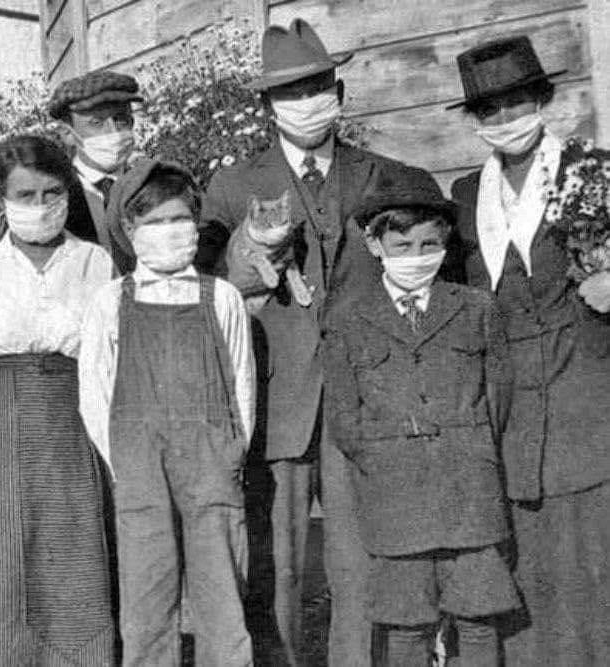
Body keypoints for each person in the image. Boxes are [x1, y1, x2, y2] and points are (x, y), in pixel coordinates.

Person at [201, 18, 442, 666]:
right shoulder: (231, 187)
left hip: (365, 402)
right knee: (275, 569)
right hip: (280, 405)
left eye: (317, 89)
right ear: (266, 107)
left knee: (359, 564)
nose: (307, 104)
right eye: (290, 93)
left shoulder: (390, 177)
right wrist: (252, 252)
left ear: (338, 93)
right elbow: (208, 288)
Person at [448, 36, 610, 665]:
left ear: (543, 99)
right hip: (510, 406)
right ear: (475, 122)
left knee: (594, 557)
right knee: (529, 562)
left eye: (518, 102)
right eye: (489, 110)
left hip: (587, 391)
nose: (506, 119)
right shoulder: (466, 196)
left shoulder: (592, 170)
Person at [323, 173, 519, 667]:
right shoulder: (350, 320)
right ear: (375, 244)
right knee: (406, 625)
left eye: (429, 243)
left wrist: (465, 446)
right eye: (402, 244)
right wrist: (385, 454)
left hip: (469, 493)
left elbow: (499, 398)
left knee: (477, 619)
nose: (417, 255)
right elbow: (345, 416)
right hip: (396, 499)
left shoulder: (476, 308)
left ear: (445, 243)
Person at [0, 134, 116, 665]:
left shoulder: (94, 263)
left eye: (51, 192)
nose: (40, 206)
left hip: (72, 425)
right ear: (1, 199)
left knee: (69, 558)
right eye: (25, 195)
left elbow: (111, 355)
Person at [78, 158, 255, 667]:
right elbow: (95, 393)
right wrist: (125, 464)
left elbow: (242, 387)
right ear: (130, 230)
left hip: (210, 465)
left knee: (221, 594)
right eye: (154, 223)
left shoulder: (221, 297)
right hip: (139, 469)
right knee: (147, 599)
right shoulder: (110, 302)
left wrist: (228, 454)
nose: (169, 232)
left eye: (180, 220)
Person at [48, 70, 142, 274]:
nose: (113, 132)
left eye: (121, 119)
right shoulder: (54, 198)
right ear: (67, 134)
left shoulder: (152, 183)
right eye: (96, 123)